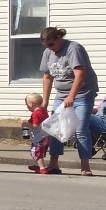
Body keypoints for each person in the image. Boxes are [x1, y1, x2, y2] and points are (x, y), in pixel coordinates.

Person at [39, 27, 97, 177]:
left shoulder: (73, 48)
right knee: (55, 127)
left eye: (51, 44)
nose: (49, 48)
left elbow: (80, 74)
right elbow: (47, 77)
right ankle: (54, 163)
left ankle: (85, 165)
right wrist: (45, 102)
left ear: (59, 38)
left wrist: (71, 96)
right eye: (46, 45)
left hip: (83, 93)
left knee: (80, 128)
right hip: (62, 94)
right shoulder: (48, 53)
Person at [23, 93, 51, 174]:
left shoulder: (35, 113)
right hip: (46, 135)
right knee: (41, 151)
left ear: (31, 104)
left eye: (27, 105)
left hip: (39, 137)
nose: (27, 107)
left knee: (36, 152)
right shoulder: (43, 110)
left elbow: (35, 126)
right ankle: (37, 165)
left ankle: (42, 168)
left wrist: (27, 125)